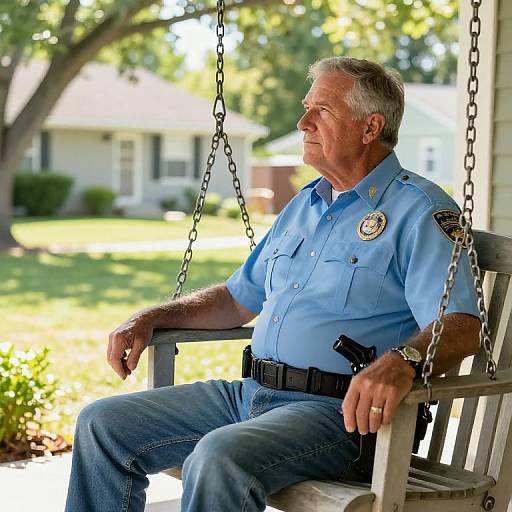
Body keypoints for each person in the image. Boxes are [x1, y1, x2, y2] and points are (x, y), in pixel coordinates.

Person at [65, 57, 480, 512]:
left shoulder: (419, 211)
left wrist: (402, 360)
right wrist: (151, 318)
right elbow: (235, 300)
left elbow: (461, 323)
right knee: (102, 425)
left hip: (339, 415)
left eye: (322, 110)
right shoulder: (305, 205)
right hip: (250, 396)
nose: (303, 122)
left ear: (370, 127)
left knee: (219, 457)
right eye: (306, 108)